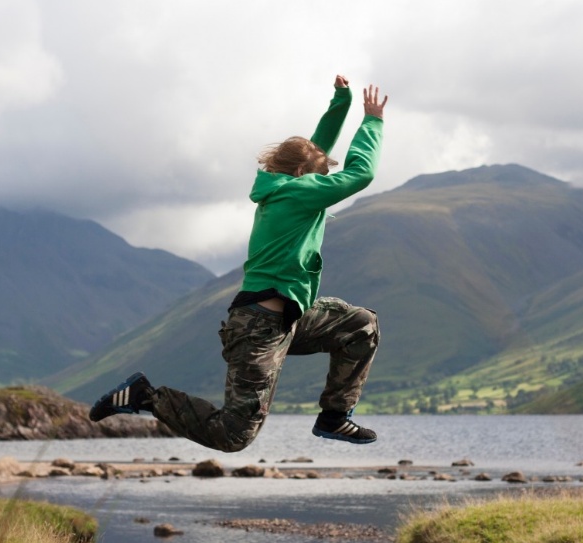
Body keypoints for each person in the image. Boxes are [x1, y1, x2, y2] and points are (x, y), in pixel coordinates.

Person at [89, 75, 388, 452]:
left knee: (361, 325)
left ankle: (333, 417)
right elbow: (362, 173)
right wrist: (372, 121)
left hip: (291, 317)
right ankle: (146, 396)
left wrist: (341, 102)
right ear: (302, 175)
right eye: (321, 175)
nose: (325, 182)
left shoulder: (286, 185)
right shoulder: (297, 192)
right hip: (258, 328)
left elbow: (315, 150)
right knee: (234, 435)